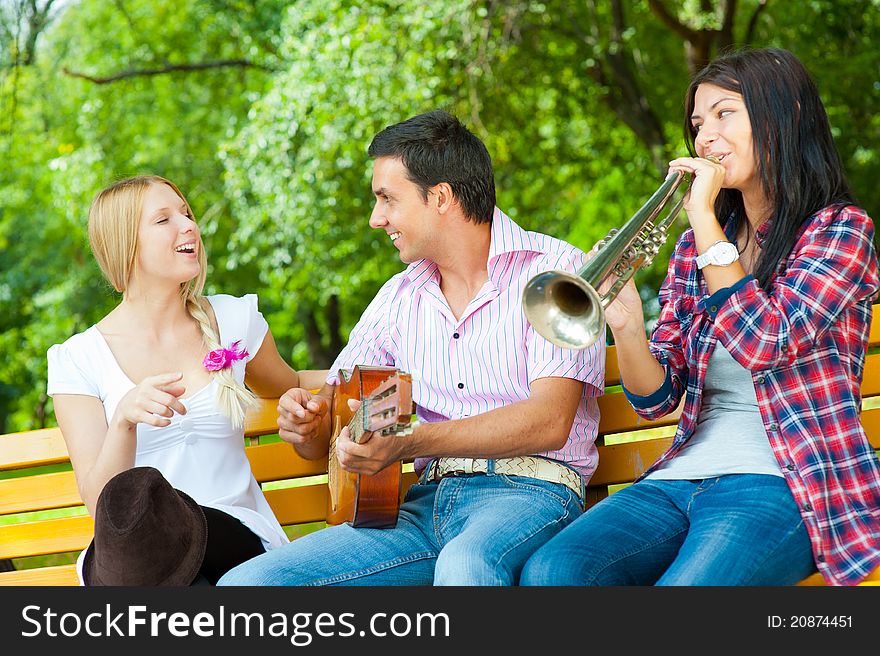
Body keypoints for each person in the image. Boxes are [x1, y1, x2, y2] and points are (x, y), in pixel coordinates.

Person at [520, 47, 880, 587]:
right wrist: (627, 326)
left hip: (788, 481)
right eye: (697, 122)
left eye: (724, 113)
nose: (704, 136)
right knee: (553, 571)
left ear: (787, 116)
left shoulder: (841, 230)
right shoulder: (696, 247)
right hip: (681, 475)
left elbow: (765, 341)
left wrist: (704, 219)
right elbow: (657, 399)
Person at [218, 109, 605, 586]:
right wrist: (309, 426)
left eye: (387, 199)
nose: (375, 219)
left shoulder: (556, 271)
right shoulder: (398, 298)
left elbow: (550, 421)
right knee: (248, 586)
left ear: (440, 197)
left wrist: (415, 441)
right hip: (420, 510)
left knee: (464, 569)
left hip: (532, 492)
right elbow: (340, 419)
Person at [46, 175, 326, 585]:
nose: (188, 226)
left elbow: (292, 380)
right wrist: (123, 421)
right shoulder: (78, 359)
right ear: (126, 244)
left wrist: (374, 369)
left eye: (187, 214)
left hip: (233, 536)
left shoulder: (232, 320)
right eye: (164, 220)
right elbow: (100, 504)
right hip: (137, 556)